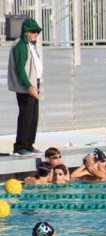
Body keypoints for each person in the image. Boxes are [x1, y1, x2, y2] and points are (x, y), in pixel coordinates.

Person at [7, 18, 43, 156]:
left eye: (37, 32)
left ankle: (28, 145)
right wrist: (29, 86)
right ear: (26, 32)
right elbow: (20, 69)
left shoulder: (30, 45)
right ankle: (20, 146)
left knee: (33, 116)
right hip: (26, 87)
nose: (36, 35)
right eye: (33, 32)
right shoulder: (20, 45)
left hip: (34, 83)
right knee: (25, 116)